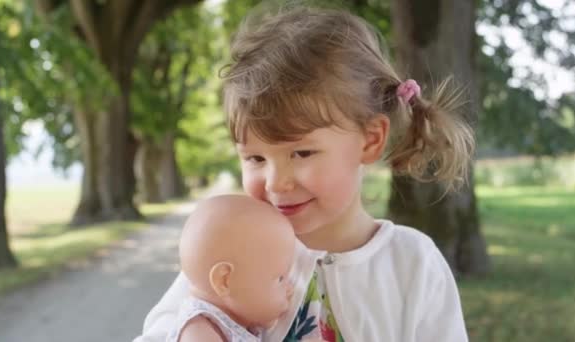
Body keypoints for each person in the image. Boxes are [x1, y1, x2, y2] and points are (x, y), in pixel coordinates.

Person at [135, 4, 473, 342]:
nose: (275, 182)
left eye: (301, 152)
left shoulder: (412, 264)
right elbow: (162, 328)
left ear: (370, 141)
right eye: (255, 158)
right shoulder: (236, 247)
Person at [168, 195, 296, 342]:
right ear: (225, 281)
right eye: (280, 278)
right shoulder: (199, 331)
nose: (290, 288)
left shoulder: (234, 318)